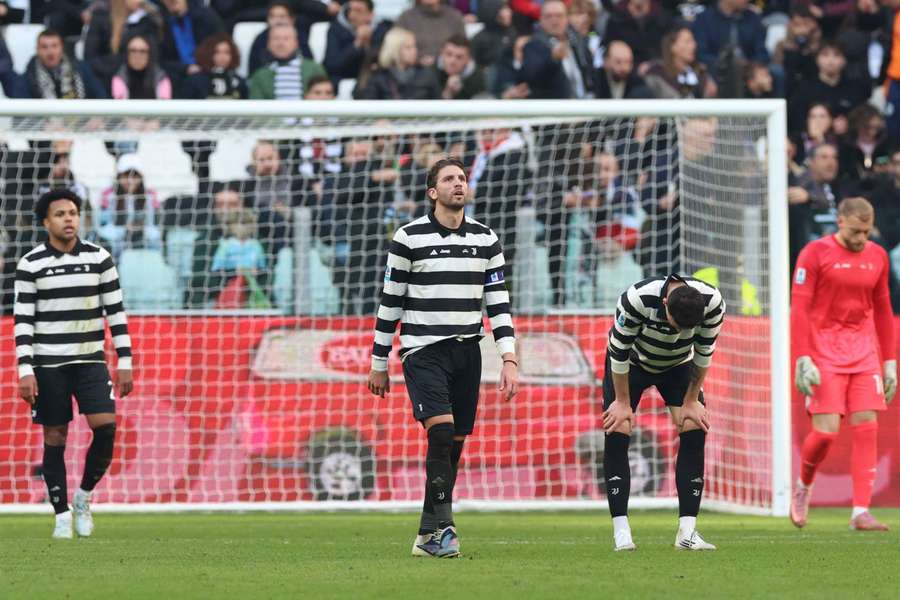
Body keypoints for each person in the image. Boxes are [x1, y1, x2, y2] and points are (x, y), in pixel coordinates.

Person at [367, 157, 519, 558]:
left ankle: (424, 533)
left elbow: (499, 305)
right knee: (438, 432)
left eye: (462, 178)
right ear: (433, 192)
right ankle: (446, 530)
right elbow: (390, 302)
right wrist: (379, 362)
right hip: (423, 351)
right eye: (449, 179)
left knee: (452, 445)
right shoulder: (409, 237)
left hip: (468, 353)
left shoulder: (487, 240)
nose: (458, 183)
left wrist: (509, 358)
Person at [14, 188, 134, 539]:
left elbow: (115, 312)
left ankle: (83, 497)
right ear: (45, 222)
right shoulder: (31, 264)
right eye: (61, 214)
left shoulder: (99, 258)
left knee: (106, 427)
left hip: (90, 360)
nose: (69, 219)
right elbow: (24, 322)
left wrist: (125, 359)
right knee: (55, 437)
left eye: (73, 213)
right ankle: (62, 514)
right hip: (49, 365)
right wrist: (25, 369)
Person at [790, 197, 896, 531]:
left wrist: (890, 361)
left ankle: (860, 511)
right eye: (855, 231)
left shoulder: (877, 255)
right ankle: (804, 485)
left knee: (867, 425)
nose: (862, 239)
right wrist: (803, 356)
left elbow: (882, 309)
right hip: (824, 351)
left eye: (866, 232)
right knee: (825, 434)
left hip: (864, 351)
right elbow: (800, 308)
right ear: (840, 221)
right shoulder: (815, 253)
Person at [603, 273, 724, 551]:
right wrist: (622, 402)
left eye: (687, 329)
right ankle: (621, 531)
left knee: (694, 427)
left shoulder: (713, 302)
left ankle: (687, 533)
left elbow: (704, 352)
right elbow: (618, 352)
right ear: (666, 303)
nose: (681, 333)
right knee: (617, 428)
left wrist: (692, 399)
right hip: (632, 364)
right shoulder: (636, 299)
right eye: (676, 325)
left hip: (680, 365)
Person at [248, 22, 327, 100]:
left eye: (286, 38)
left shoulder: (314, 69)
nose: (281, 43)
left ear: (296, 43)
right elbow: (256, 108)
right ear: (268, 44)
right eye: (276, 38)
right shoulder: (259, 76)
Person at [24, 29, 108, 99]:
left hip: (81, 118)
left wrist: (97, 117)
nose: (50, 52)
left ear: (62, 47)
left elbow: (101, 97)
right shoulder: (28, 76)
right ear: (37, 50)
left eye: (54, 46)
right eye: (44, 47)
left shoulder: (80, 69)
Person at [111, 33, 173, 99]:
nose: (137, 55)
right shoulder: (120, 77)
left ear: (149, 54)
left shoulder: (161, 78)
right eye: (133, 51)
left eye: (142, 51)